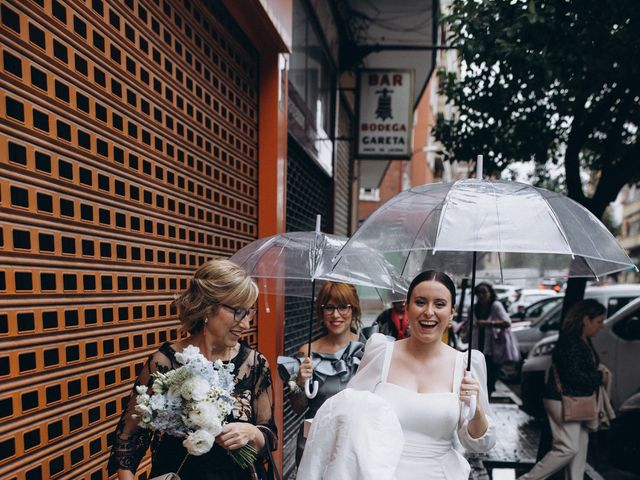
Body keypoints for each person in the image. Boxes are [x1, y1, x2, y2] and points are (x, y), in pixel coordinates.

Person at [299, 270, 496, 479]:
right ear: (408, 307)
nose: (429, 312)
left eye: (439, 304)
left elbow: (479, 443)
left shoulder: (467, 364)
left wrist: (477, 410)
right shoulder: (380, 352)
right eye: (420, 302)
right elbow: (350, 416)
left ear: (452, 312)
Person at [108, 259, 277, 480]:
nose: (245, 324)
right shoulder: (165, 363)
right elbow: (128, 440)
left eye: (249, 313)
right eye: (238, 311)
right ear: (208, 307)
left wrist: (252, 433)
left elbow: (270, 436)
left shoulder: (255, 365)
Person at [519, 299, 606, 480]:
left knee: (580, 447)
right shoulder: (570, 342)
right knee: (568, 448)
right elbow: (573, 375)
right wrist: (600, 377)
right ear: (585, 320)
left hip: (577, 401)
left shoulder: (584, 340)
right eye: (599, 321)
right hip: (564, 399)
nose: (602, 326)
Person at [285, 281, 365, 464]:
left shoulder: (366, 349)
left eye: (343, 307)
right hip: (314, 440)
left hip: (354, 440)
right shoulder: (307, 351)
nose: (336, 315)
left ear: (354, 309)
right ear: (321, 311)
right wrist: (299, 383)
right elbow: (297, 408)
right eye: (329, 307)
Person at [474, 282, 513, 395]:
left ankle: (488, 393)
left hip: (492, 345)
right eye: (479, 292)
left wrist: (487, 323)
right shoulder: (475, 307)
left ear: (490, 293)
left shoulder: (495, 305)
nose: (481, 295)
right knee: (478, 370)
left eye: (484, 292)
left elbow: (507, 322)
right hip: (477, 343)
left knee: (489, 370)